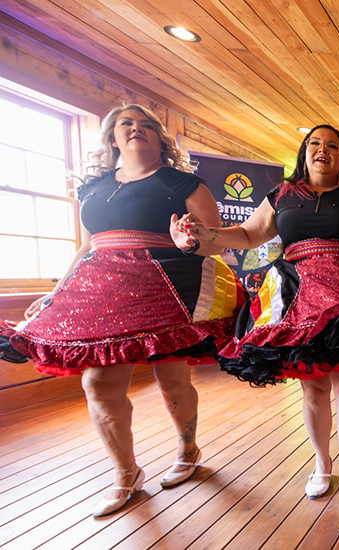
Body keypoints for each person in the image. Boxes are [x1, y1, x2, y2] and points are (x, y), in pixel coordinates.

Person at [0, 104, 243, 517]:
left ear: (160, 139)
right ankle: (125, 473)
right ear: (112, 136)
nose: (136, 129)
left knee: (172, 377)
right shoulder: (92, 188)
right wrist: (57, 291)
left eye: (147, 125)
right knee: (97, 384)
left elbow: (217, 243)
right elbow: (87, 245)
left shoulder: (183, 183)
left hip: (164, 284)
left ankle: (187, 448)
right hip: (102, 288)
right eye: (126, 124)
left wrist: (191, 239)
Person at [171, 124, 339, 503]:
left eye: (332, 145)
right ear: (303, 152)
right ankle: (321, 465)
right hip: (299, 297)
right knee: (313, 390)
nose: (322, 149)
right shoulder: (281, 194)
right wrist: (200, 235)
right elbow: (247, 235)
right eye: (314, 143)